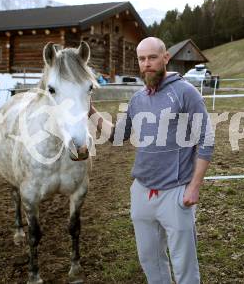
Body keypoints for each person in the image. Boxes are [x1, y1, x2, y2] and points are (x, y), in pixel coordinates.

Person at [89, 37, 214, 284]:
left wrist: (194, 187)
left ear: (165, 58)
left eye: (152, 58)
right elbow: (117, 135)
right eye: (142, 59)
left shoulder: (186, 93)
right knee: (150, 261)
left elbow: (206, 140)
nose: (147, 64)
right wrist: (91, 113)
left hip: (176, 192)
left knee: (184, 266)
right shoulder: (137, 99)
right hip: (142, 191)